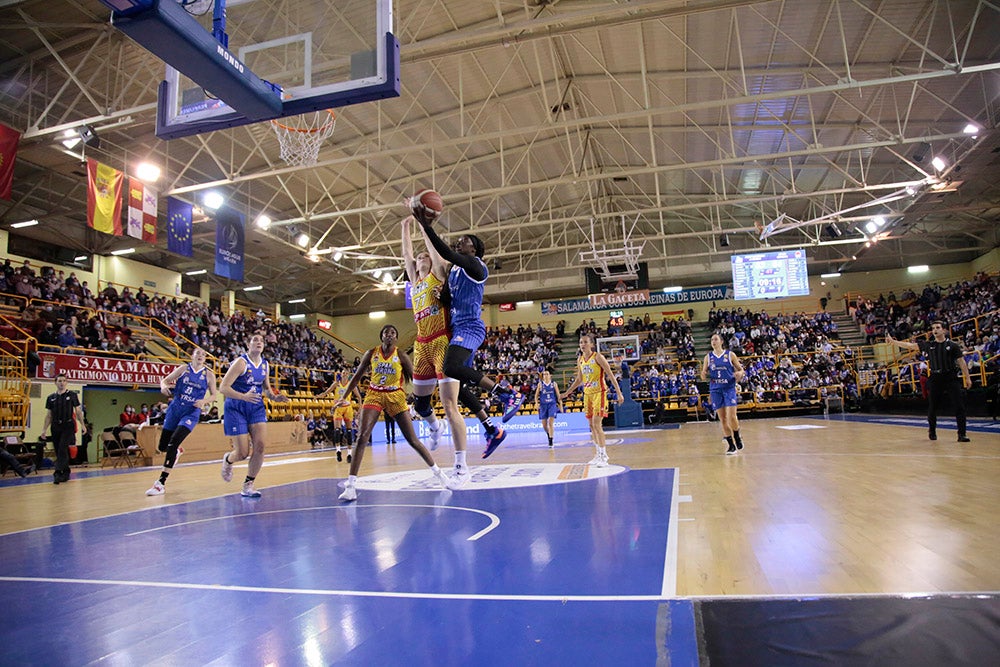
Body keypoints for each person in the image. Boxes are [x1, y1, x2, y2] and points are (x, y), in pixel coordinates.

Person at [413, 208, 524, 469]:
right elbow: (451, 298)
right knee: (457, 387)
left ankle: (506, 393)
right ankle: (491, 429)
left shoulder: (476, 266)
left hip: (470, 327)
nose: (461, 242)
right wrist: (443, 298)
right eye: (461, 240)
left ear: (474, 250)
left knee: (451, 368)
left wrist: (425, 225)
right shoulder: (453, 273)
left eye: (466, 241)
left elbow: (448, 253)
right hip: (456, 327)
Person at [334, 324, 451, 502]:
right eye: (387, 332)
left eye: (393, 333)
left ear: (396, 338)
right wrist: (345, 395)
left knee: (412, 440)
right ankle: (351, 487)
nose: (390, 335)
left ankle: (440, 474)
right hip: (374, 394)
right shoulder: (371, 353)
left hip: (396, 395)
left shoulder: (401, 355)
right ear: (382, 336)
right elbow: (357, 376)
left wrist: (421, 397)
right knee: (362, 436)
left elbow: (416, 378)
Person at [219, 333, 289, 497]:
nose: (259, 342)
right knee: (242, 453)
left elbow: (266, 389)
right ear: (248, 344)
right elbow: (223, 388)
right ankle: (229, 459)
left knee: (260, 446)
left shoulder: (265, 365)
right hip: (236, 406)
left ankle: (248, 485)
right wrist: (243, 396)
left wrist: (274, 397)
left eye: (261, 341)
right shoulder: (240, 363)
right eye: (255, 340)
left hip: (256, 407)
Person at [145, 347, 218, 496]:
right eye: (198, 353)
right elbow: (165, 380)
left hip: (191, 412)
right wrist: (163, 386)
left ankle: (160, 483)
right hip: (175, 409)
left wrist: (204, 401)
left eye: (203, 355)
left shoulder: (209, 375)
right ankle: (177, 452)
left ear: (205, 359)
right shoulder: (183, 369)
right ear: (192, 356)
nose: (201, 356)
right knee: (163, 446)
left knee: (173, 442)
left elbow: (214, 395)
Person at [887, 321, 972, 442]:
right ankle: (932, 430)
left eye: (938, 327)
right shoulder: (928, 345)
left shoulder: (953, 345)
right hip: (935, 377)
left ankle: (962, 434)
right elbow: (911, 346)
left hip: (950, 377)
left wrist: (967, 377)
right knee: (933, 407)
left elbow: (961, 362)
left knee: (959, 406)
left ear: (944, 330)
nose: (935, 330)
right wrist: (894, 342)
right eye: (933, 328)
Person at [561, 334, 624, 467]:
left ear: (591, 344)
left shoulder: (598, 357)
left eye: (585, 342)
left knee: (597, 424)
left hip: (599, 393)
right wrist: (567, 393)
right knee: (591, 426)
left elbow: (610, 375)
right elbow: (579, 379)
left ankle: (604, 455)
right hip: (587, 394)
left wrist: (619, 393)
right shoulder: (580, 359)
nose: (582, 345)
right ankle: (598, 453)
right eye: (580, 342)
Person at [700, 333, 747, 455]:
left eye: (715, 339)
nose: (713, 341)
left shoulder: (730, 355)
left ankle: (737, 435)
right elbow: (703, 373)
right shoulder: (708, 357)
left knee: (732, 416)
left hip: (729, 388)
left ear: (721, 341)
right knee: (723, 419)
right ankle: (731, 445)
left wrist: (739, 374)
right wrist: (703, 374)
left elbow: (741, 370)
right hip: (716, 389)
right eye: (711, 339)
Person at [41, 372, 86, 484]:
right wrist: (44, 430)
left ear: (67, 382)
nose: (62, 383)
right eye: (59, 381)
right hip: (56, 426)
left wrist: (83, 425)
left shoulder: (72, 395)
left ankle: (57, 472)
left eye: (64, 381)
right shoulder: (51, 398)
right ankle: (65, 472)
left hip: (68, 425)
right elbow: (49, 415)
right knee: (59, 450)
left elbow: (78, 411)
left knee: (62, 448)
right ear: (55, 383)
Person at [317, 371, 362, 462]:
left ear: (348, 375)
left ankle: (349, 454)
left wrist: (360, 408)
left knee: (349, 431)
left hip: (347, 408)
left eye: (346, 373)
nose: (344, 374)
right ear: (341, 374)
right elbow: (327, 392)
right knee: (337, 430)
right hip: (338, 408)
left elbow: (359, 397)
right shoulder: (336, 383)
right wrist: (321, 395)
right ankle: (338, 451)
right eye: (343, 372)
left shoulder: (351, 384)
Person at [535, 369, 563, 447]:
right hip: (543, 406)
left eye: (547, 374)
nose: (546, 375)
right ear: (543, 376)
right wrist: (537, 403)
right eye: (544, 374)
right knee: (544, 425)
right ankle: (548, 434)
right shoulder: (540, 385)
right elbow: (536, 396)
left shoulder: (554, 384)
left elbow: (558, 395)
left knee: (550, 422)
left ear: (550, 375)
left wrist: (560, 404)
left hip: (552, 404)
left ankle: (551, 440)